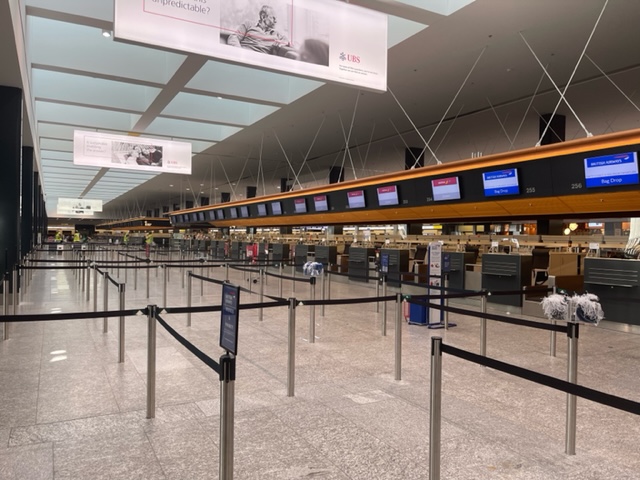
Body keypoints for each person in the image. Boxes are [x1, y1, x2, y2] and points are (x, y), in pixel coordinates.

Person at [226, 5, 297, 58]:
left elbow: (291, 44)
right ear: (263, 17)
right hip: (245, 56)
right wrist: (239, 52)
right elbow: (234, 37)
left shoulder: (276, 34)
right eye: (273, 18)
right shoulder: (248, 24)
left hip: (262, 61)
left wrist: (282, 43)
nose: (276, 21)